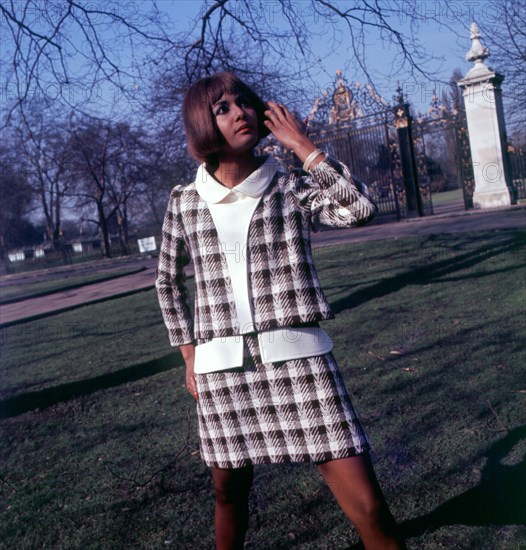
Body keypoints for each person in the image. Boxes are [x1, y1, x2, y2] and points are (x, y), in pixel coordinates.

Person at [156, 72, 405, 550]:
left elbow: (360, 210)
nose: (239, 112)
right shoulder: (184, 203)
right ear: (202, 125)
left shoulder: (289, 187)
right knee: (229, 494)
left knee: (370, 507)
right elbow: (167, 282)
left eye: (243, 103)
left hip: (302, 365)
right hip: (223, 375)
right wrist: (188, 354)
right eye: (222, 108)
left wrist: (305, 147)